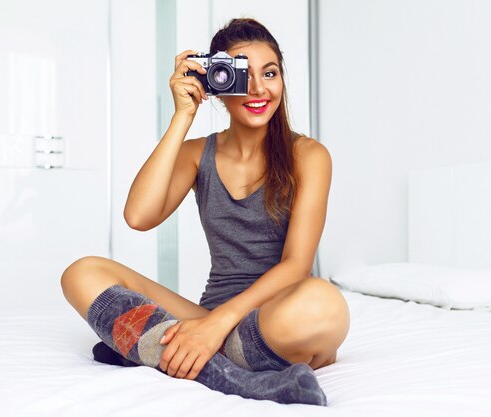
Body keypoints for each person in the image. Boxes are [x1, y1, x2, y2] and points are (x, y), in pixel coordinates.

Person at [60, 18, 350, 406]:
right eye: (242, 74)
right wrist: (183, 114)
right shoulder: (198, 154)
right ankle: (228, 375)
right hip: (205, 315)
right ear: (216, 82)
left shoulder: (309, 155)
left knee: (323, 301)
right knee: (82, 272)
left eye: (271, 72)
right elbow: (138, 216)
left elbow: (297, 265)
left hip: (272, 317)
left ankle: (151, 348)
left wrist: (215, 327)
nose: (260, 88)